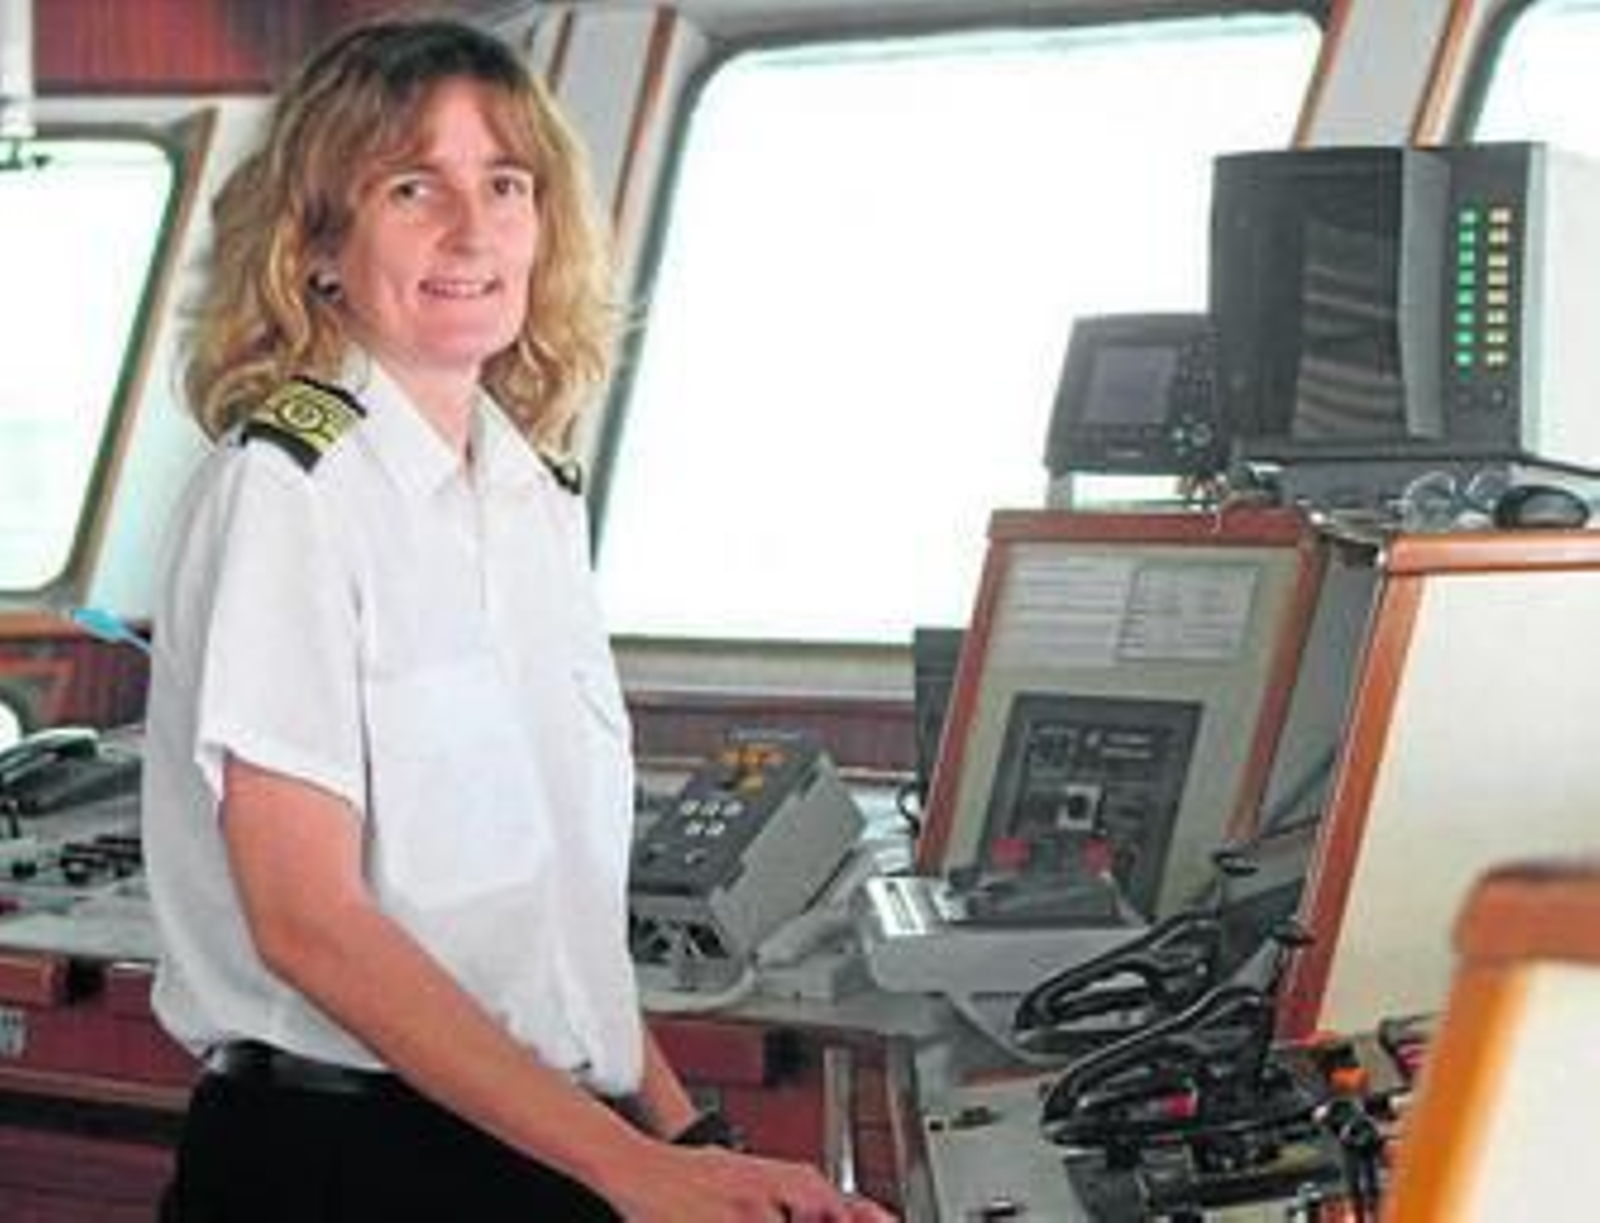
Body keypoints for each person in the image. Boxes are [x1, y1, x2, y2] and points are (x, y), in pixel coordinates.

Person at [142, 18, 896, 1223]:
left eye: (505, 184)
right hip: (343, 1159)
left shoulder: (531, 498)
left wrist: (691, 1139)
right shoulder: (288, 492)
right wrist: (636, 1170)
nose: (472, 229)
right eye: (412, 187)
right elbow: (307, 920)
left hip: (533, 1135)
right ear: (318, 244)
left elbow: (548, 940)